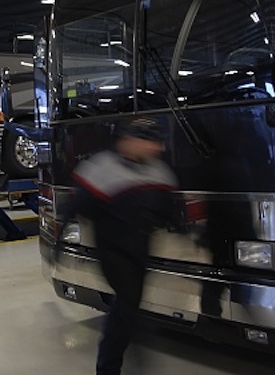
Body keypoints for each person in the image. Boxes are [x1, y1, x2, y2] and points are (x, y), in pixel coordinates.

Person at [70, 117, 178, 375]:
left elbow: (169, 210)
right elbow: (77, 207)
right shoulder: (101, 168)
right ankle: (108, 368)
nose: (158, 148)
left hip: (140, 251)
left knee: (129, 308)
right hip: (112, 251)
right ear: (130, 141)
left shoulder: (159, 172)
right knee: (128, 306)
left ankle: (128, 355)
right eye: (151, 142)